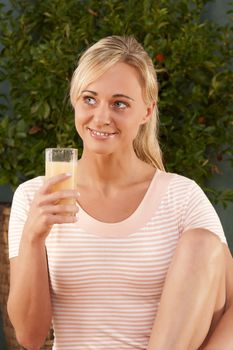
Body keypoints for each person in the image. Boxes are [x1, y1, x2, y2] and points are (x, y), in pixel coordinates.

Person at [7, 35, 233, 350]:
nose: (101, 117)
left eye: (119, 103)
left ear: (146, 111)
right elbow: (30, 338)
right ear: (74, 101)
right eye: (89, 99)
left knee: (203, 243)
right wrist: (33, 237)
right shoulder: (35, 197)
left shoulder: (182, 197)